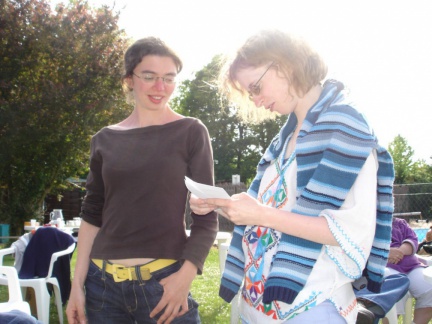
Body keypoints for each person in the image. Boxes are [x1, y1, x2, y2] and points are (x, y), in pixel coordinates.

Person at [190, 29, 395, 323]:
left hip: (310, 308)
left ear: (284, 64)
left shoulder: (345, 128)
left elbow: (349, 234)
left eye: (256, 87)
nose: (256, 100)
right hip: (260, 308)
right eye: (250, 94)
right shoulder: (282, 142)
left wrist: (260, 214)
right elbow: (274, 211)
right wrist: (224, 204)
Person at [66, 37, 218, 324]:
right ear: (129, 80)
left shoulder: (191, 132)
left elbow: (207, 217)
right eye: (149, 77)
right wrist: (77, 286)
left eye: (169, 78)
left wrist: (184, 277)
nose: (160, 87)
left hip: (163, 285)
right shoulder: (104, 140)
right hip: (102, 289)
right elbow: (91, 215)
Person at [385, 217, 432, 324]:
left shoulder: (399, 223)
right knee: (394, 289)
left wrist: (400, 251)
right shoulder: (367, 224)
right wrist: (386, 252)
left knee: (430, 288)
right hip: (387, 268)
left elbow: (412, 239)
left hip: (412, 266)